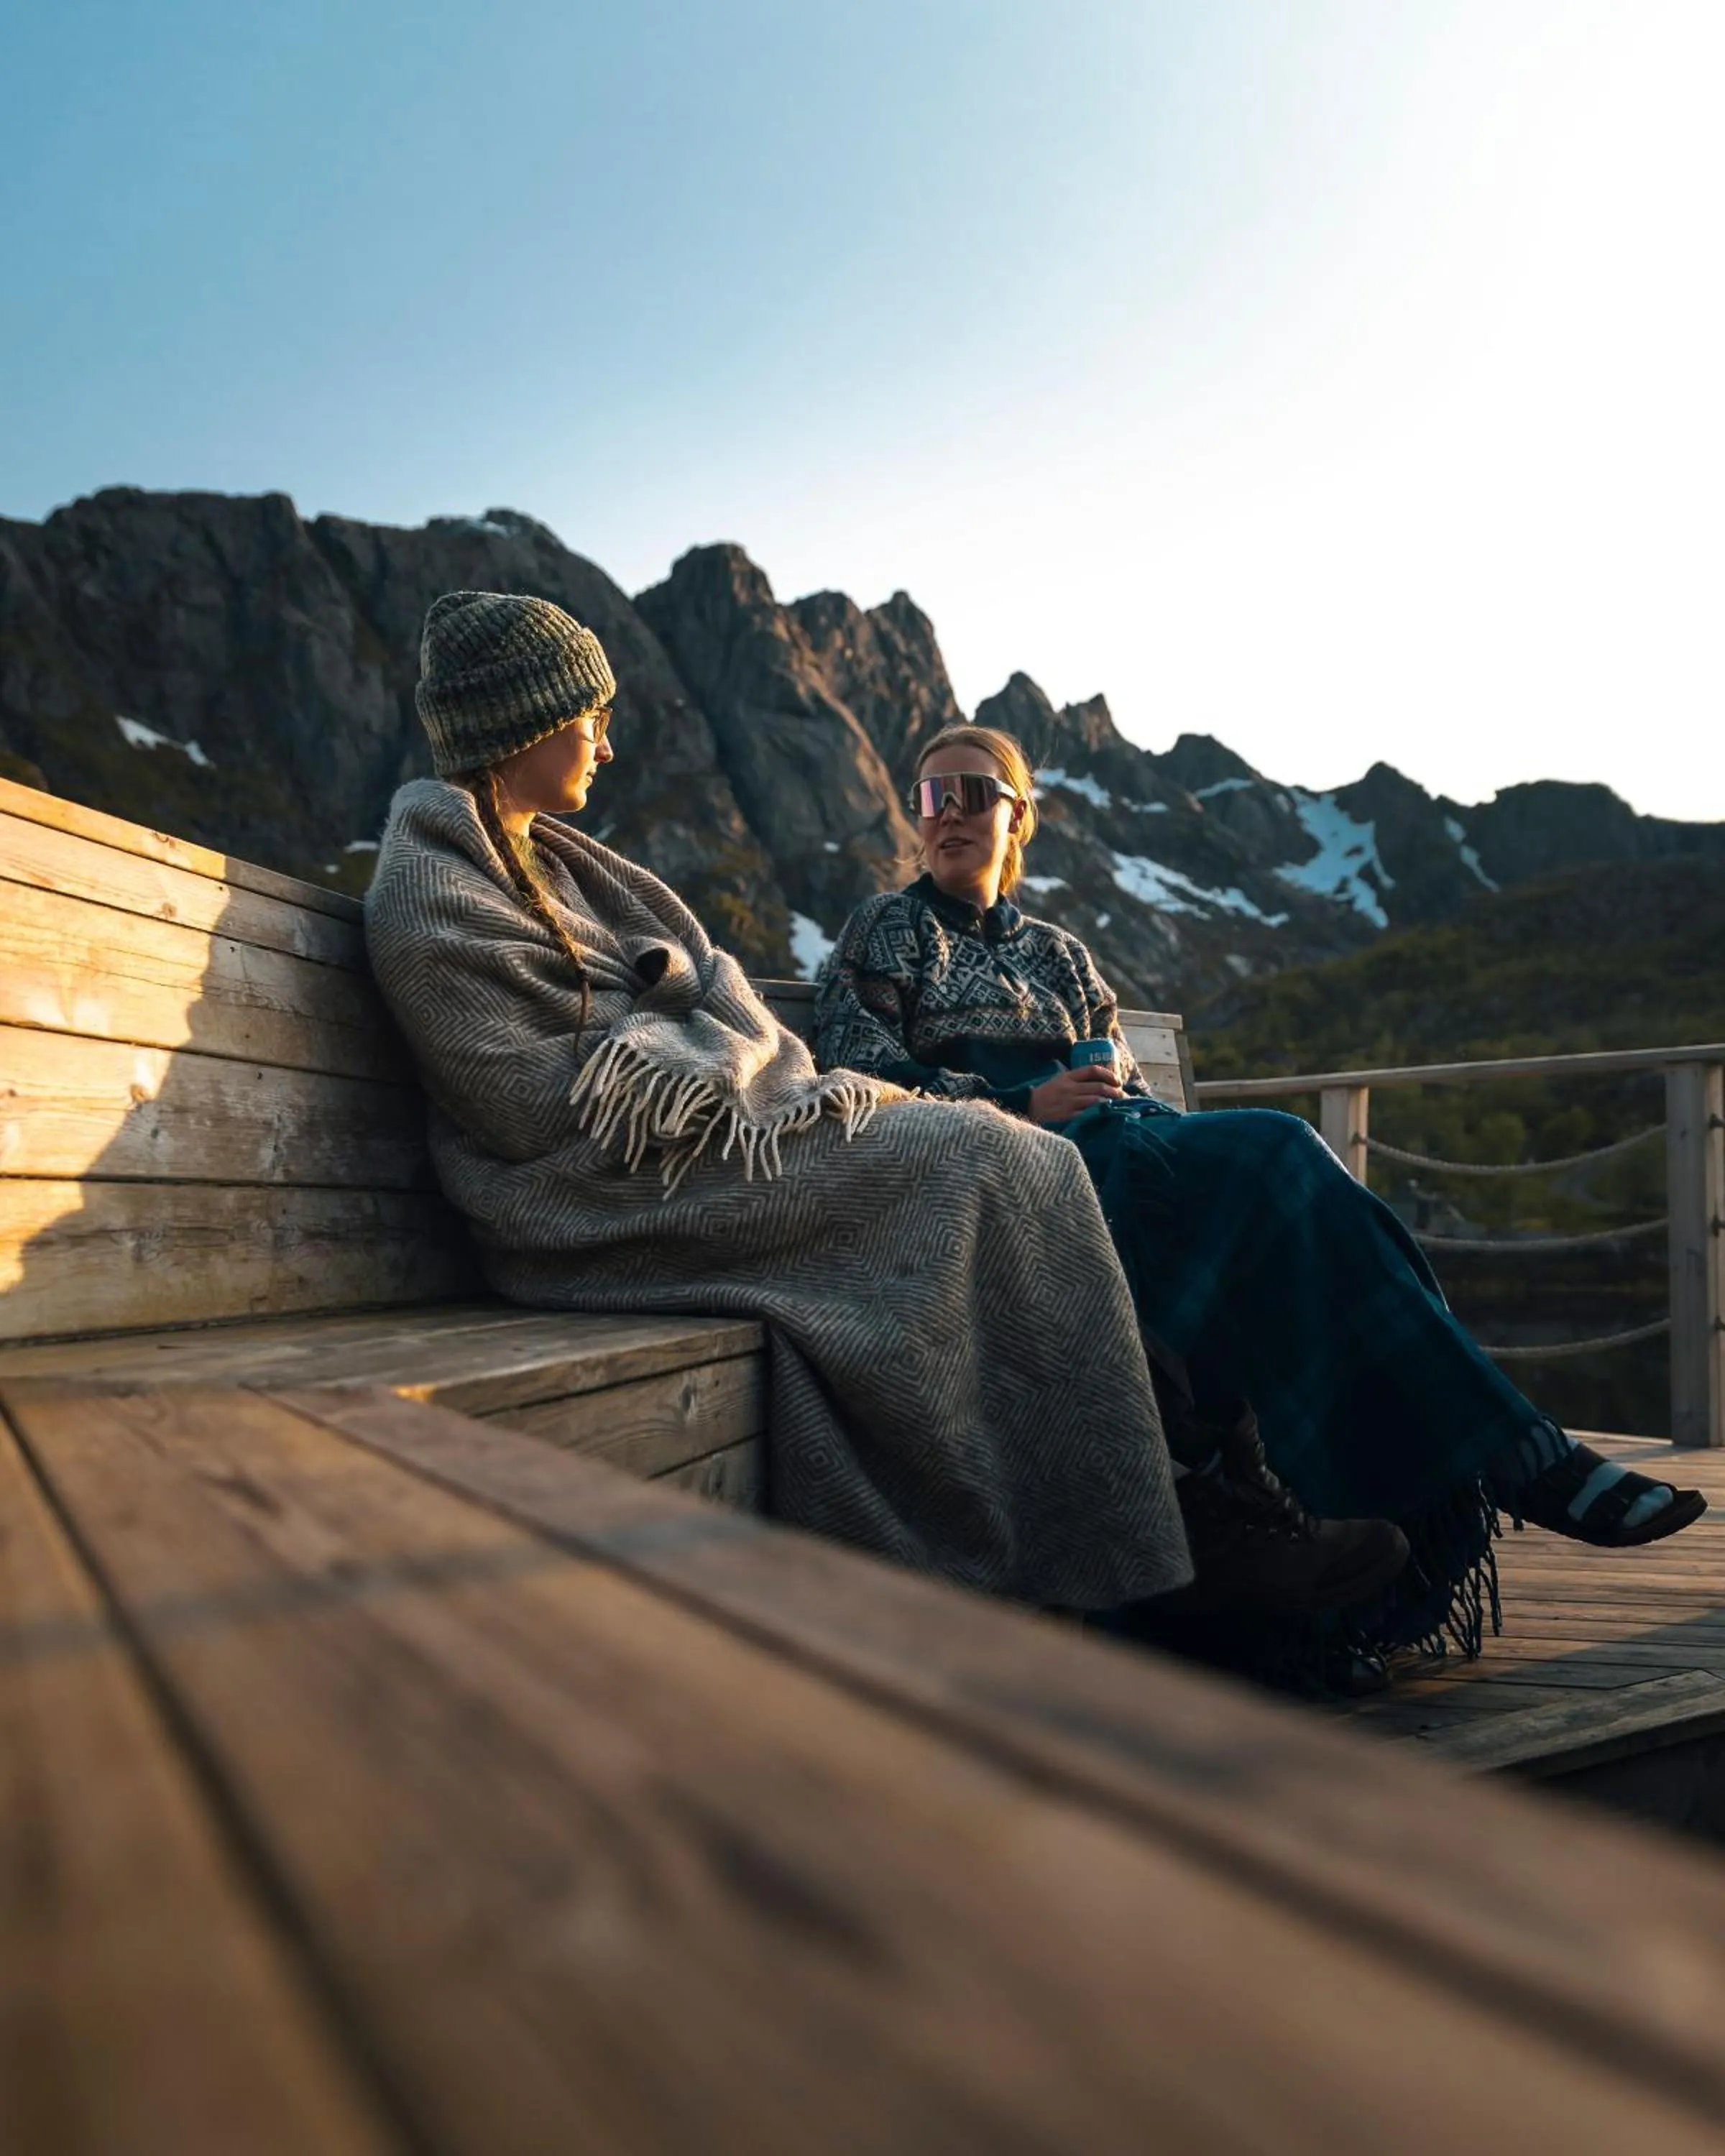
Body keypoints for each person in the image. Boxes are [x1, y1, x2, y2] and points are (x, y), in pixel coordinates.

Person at [364, 591, 1404, 1639]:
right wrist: (682, 1034)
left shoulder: (554, 864)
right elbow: (523, 1109)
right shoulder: (427, 891)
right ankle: (1162, 1544)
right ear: (525, 722)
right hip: (591, 1200)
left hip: (698, 1143)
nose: (607, 742)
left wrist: (693, 1026)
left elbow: (697, 990)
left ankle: (1168, 1504)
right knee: (985, 1159)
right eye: (589, 717)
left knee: (1005, 1158)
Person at [811, 722, 1707, 1662]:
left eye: (972, 793)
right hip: (1007, 1169)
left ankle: (1355, 1594)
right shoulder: (889, 927)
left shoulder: (1063, 957)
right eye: (929, 796)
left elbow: (1128, 1086)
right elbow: (855, 1073)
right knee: (1281, 1153)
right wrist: (1020, 1101)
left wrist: (1106, 1098)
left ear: (1019, 816)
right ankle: (1520, 1458)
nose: (948, 813)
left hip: (1125, 1156)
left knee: (1285, 1225)